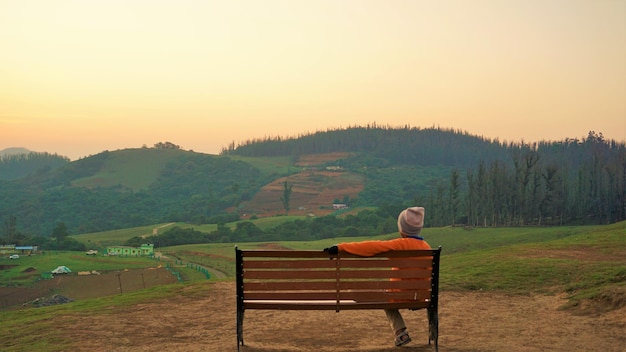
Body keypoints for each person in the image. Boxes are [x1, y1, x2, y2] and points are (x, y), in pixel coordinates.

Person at [323, 206, 430, 347]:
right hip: (420, 296)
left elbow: (371, 246)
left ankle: (401, 332)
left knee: (384, 298)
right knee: (388, 296)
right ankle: (408, 334)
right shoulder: (427, 248)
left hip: (398, 296)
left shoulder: (398, 245)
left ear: (402, 228)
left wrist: (341, 247)